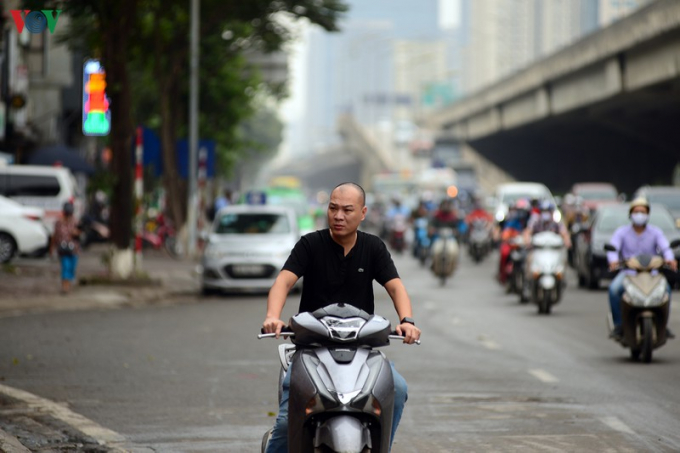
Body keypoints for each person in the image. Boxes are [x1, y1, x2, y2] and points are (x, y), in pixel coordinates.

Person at [262, 182, 421, 453]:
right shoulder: (310, 244)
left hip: (362, 351)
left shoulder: (373, 247)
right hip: (312, 350)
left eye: (347, 210)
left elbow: (395, 286)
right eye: (333, 208)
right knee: (288, 420)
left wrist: (407, 321)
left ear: (363, 213)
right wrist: (272, 317)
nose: (338, 216)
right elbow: (283, 282)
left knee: (399, 389)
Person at [607, 198, 678, 340]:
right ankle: (619, 325)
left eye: (643, 212)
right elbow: (613, 248)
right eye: (637, 211)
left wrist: (670, 259)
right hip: (629, 274)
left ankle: (663, 325)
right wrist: (613, 261)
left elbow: (665, 247)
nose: (640, 214)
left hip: (652, 274)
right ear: (631, 214)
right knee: (614, 290)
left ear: (648, 214)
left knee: (667, 291)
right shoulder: (622, 232)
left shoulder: (655, 232)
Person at [50, 201, 81, 294]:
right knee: (65, 267)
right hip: (63, 249)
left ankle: (68, 285)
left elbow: (81, 233)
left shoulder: (76, 222)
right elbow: (54, 235)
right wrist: (52, 247)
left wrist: (76, 232)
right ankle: (65, 287)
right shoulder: (59, 222)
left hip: (74, 249)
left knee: (72, 268)